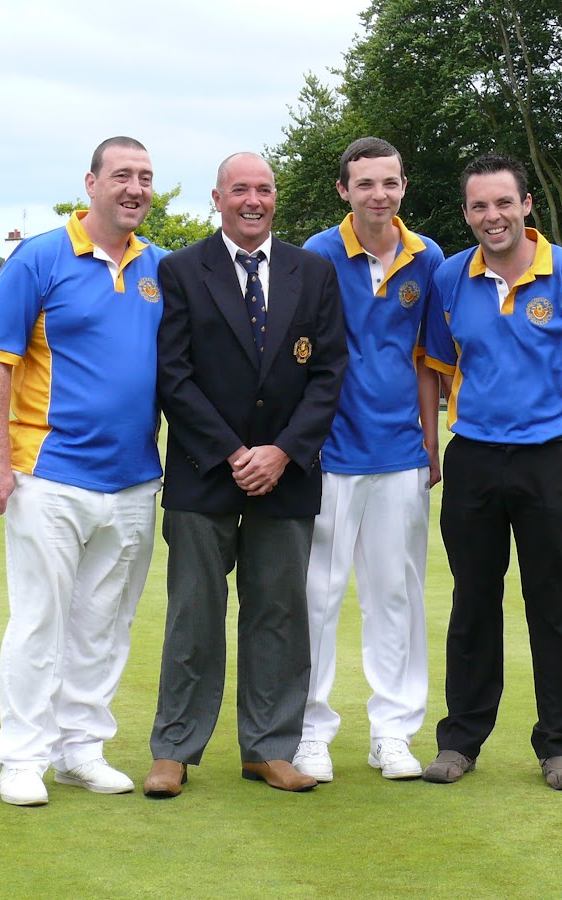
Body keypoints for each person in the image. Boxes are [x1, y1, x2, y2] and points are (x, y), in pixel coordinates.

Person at [144, 152, 347, 798]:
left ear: (275, 198)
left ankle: (269, 748)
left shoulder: (311, 273)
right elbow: (172, 374)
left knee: (279, 614)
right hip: (205, 471)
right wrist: (235, 452)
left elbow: (328, 374)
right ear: (218, 198)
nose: (252, 200)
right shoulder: (179, 270)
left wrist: (282, 452)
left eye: (263, 189)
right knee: (194, 614)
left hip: (286, 475)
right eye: (240, 190)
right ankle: (174, 748)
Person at [0, 136, 166, 806]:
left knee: (105, 623)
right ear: (91, 183)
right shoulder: (41, 257)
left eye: (144, 177)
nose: (134, 188)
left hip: (136, 478)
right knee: (39, 619)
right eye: (121, 176)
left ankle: (80, 748)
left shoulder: (158, 267)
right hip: (49, 473)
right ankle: (22, 756)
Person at [420, 153, 562, 791]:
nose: (491, 216)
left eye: (502, 202)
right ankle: (461, 741)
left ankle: (560, 745)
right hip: (473, 458)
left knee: (553, 601)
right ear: (468, 213)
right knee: (472, 602)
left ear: (525, 206)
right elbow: (439, 366)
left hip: (547, 461)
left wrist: (558, 436)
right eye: (479, 205)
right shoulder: (450, 278)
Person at [292, 137, 444, 783]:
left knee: (395, 596)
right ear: (344, 192)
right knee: (315, 597)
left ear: (403, 186)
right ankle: (309, 733)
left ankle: (394, 732)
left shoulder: (427, 256)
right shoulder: (316, 256)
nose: (378, 195)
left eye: (389, 183)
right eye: (365, 185)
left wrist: (430, 445)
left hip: (400, 453)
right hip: (329, 455)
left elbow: (429, 359)